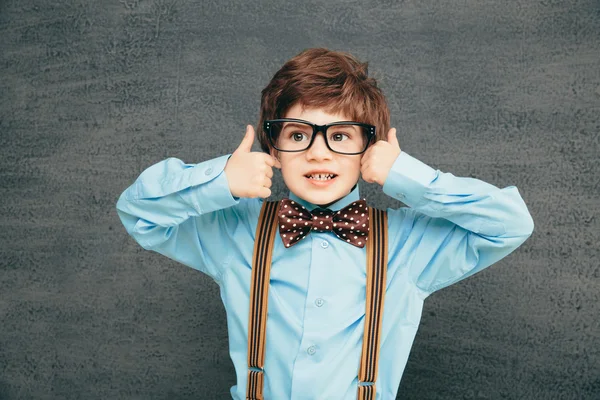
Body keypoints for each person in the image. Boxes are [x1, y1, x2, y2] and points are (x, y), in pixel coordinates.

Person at [116, 47, 534, 399]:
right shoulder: (236, 232)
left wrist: (409, 176)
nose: (318, 153)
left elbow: (511, 223)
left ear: (369, 149)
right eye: (298, 135)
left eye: (340, 136)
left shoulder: (409, 243)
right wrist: (219, 179)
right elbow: (139, 213)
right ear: (273, 149)